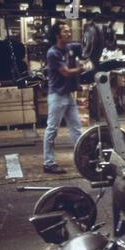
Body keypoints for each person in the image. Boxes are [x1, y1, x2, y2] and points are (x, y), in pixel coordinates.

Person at [43, 21, 85, 174]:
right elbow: (66, 72)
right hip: (57, 95)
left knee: (76, 129)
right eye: (65, 32)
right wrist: (81, 69)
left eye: (69, 31)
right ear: (57, 35)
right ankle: (48, 163)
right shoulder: (53, 53)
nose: (69, 33)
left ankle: (83, 158)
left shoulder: (69, 48)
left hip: (68, 94)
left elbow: (81, 51)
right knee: (52, 130)